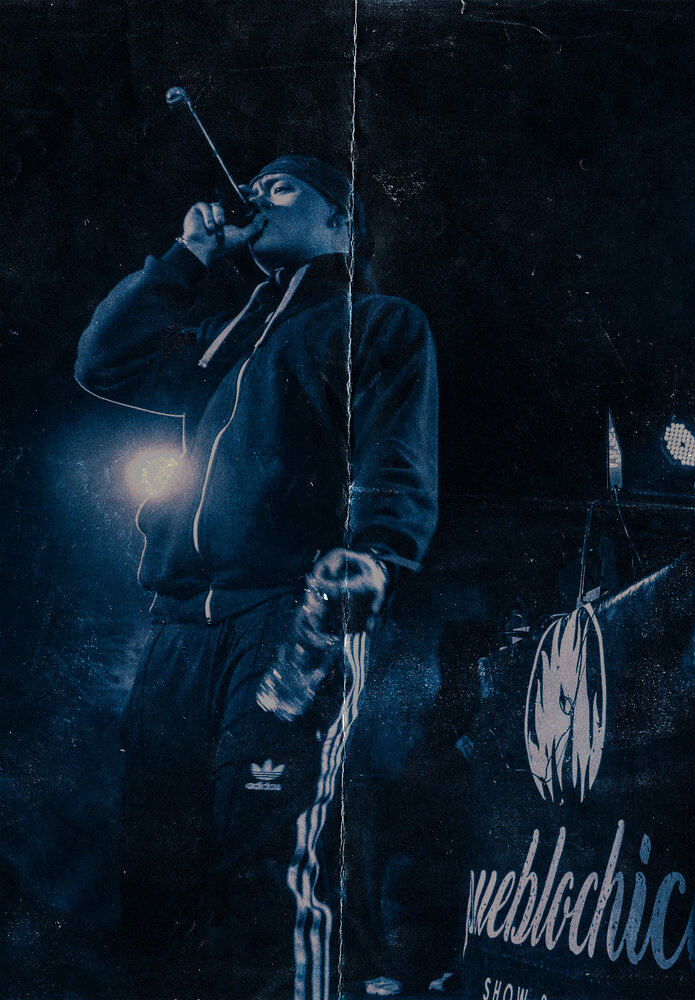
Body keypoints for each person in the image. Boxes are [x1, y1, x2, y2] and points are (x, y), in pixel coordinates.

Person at [75, 155, 438, 999]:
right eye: (253, 186)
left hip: (285, 615)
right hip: (179, 633)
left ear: (342, 222)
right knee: (156, 879)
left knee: (269, 874)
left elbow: (396, 454)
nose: (252, 197)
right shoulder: (222, 340)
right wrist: (188, 256)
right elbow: (101, 362)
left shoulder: (376, 322)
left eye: (281, 188)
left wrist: (376, 552)